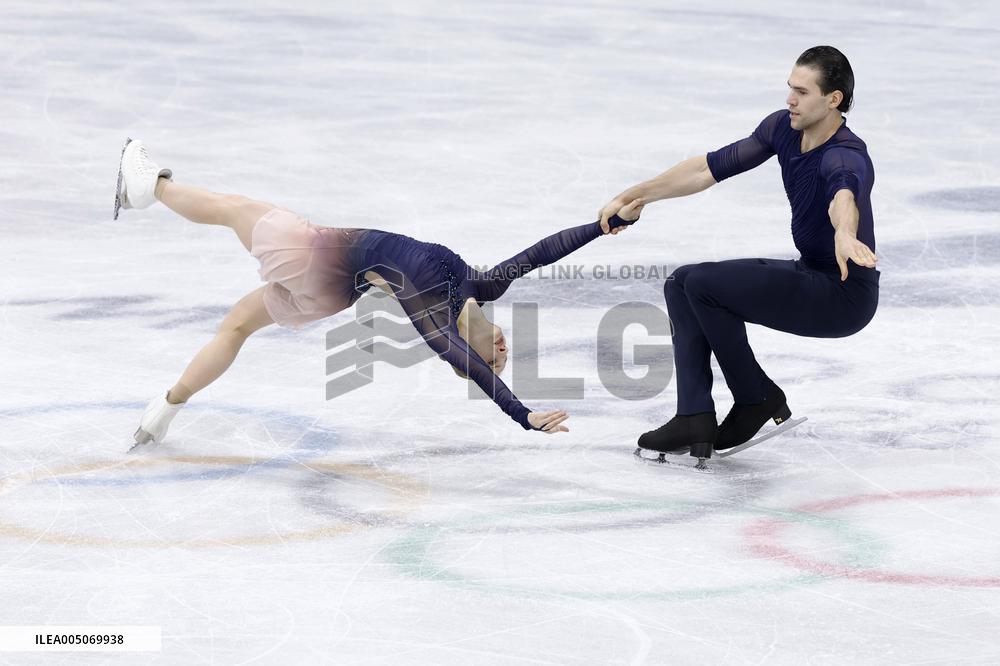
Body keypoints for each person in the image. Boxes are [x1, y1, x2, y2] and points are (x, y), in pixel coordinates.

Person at [114, 140, 640, 448]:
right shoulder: (480, 287)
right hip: (329, 294)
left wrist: (521, 414)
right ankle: (165, 408)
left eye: (492, 362)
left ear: (469, 356)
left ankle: (150, 188)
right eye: (504, 357)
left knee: (234, 208)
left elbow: (462, 361)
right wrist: (603, 224)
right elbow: (540, 253)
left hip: (314, 257)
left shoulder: (433, 312)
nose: (502, 355)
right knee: (237, 325)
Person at [598, 45, 879, 462]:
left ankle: (755, 397)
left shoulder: (845, 153)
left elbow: (844, 193)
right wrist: (636, 194)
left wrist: (845, 233)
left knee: (706, 285)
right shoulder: (784, 128)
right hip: (811, 274)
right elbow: (706, 169)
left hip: (842, 296)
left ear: (833, 99)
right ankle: (693, 416)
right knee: (680, 283)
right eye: (790, 88)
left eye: (802, 92)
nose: (790, 99)